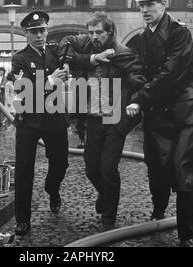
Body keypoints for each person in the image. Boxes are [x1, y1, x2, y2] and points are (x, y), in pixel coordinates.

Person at [126, 0, 193, 247]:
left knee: (184, 171)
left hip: (185, 110)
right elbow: (137, 69)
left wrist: (140, 97)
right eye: (141, 5)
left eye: (150, 5)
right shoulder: (143, 37)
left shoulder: (179, 32)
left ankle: (187, 235)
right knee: (157, 167)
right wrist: (139, 86)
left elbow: (172, 73)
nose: (145, 10)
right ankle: (158, 206)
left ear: (163, 4)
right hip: (158, 112)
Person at [60, 12, 144, 229]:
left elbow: (138, 80)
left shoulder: (124, 54)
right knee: (91, 170)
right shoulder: (88, 47)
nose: (94, 36)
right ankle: (105, 194)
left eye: (99, 32)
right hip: (92, 119)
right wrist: (69, 61)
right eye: (91, 32)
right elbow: (66, 40)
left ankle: (109, 215)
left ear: (110, 32)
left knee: (108, 169)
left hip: (114, 121)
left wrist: (135, 104)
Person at [11, 11, 69, 236]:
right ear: (26, 33)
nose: (39, 35)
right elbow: (22, 90)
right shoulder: (19, 58)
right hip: (29, 120)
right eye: (33, 31)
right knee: (24, 170)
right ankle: (23, 219)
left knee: (61, 163)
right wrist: (50, 81)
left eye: (42, 30)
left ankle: (52, 188)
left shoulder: (56, 52)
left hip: (55, 118)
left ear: (47, 30)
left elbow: (79, 50)